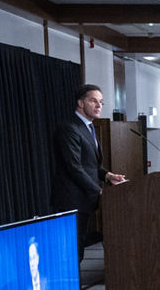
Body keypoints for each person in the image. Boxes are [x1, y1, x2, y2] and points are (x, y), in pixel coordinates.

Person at [50, 84, 126, 263]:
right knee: (70, 250)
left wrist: (107, 176)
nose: (99, 105)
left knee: (78, 248)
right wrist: (98, 190)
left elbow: (91, 165)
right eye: (93, 101)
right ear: (80, 103)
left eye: (101, 102)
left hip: (84, 200)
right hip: (71, 200)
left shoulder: (89, 128)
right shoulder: (69, 128)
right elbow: (73, 166)